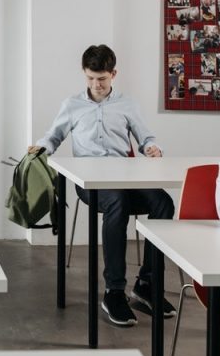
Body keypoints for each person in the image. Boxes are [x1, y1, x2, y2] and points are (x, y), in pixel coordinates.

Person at [29, 44, 176, 326]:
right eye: (90, 79)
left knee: (163, 203)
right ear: (84, 75)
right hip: (90, 183)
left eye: (102, 79)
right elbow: (54, 136)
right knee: (117, 203)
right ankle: (114, 291)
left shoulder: (128, 104)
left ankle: (146, 283)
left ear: (113, 74)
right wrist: (40, 149)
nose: (96, 85)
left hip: (126, 177)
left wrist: (152, 148)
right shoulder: (71, 105)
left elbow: (146, 138)